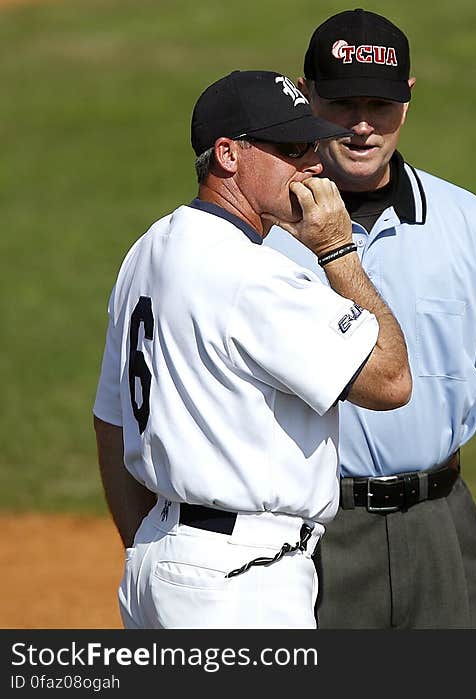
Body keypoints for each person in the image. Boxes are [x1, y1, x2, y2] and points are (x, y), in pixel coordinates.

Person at [265, 9, 476, 628]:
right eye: (341, 104)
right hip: (309, 532)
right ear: (305, 97)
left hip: (442, 527)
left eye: (379, 106)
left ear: (407, 102)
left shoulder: (468, 222)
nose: (362, 126)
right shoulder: (262, 235)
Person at [92, 69, 412, 629]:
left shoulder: (147, 251)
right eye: (292, 148)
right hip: (241, 582)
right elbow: (390, 381)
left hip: (160, 563)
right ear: (228, 155)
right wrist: (337, 249)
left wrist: (160, 546)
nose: (314, 163)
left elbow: (110, 421)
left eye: (313, 144)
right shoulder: (252, 276)